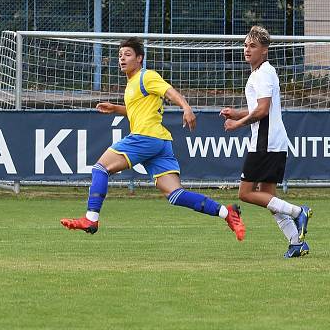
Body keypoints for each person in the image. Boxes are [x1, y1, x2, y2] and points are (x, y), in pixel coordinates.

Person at [61, 37, 246, 242]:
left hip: (145, 137)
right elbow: (139, 111)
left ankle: (91, 219)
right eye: (120, 55)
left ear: (139, 58)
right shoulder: (132, 84)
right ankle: (227, 213)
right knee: (175, 194)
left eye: (128, 54)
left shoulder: (146, 76)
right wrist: (117, 109)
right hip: (159, 142)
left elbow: (169, 91)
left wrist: (186, 107)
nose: (122, 58)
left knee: (100, 168)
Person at [221, 26, 312, 258]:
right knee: (269, 198)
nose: (247, 50)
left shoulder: (262, 73)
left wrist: (236, 124)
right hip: (273, 142)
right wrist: (237, 113)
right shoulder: (262, 72)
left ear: (264, 50)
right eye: (245, 45)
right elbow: (260, 109)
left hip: (265, 143)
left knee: (245, 193)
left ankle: (297, 211)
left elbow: (261, 111)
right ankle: (296, 243)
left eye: (252, 46)